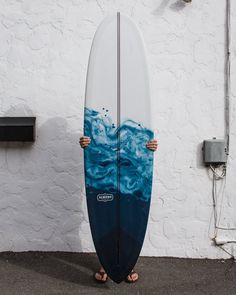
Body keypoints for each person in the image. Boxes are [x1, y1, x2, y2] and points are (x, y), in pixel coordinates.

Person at [79, 135, 158, 283]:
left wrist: (149, 147)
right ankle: (105, 265)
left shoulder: (136, 123)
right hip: (105, 177)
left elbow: (137, 142)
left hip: (129, 176)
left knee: (128, 220)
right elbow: (97, 143)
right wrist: (86, 144)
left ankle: (128, 265)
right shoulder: (99, 124)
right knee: (106, 219)